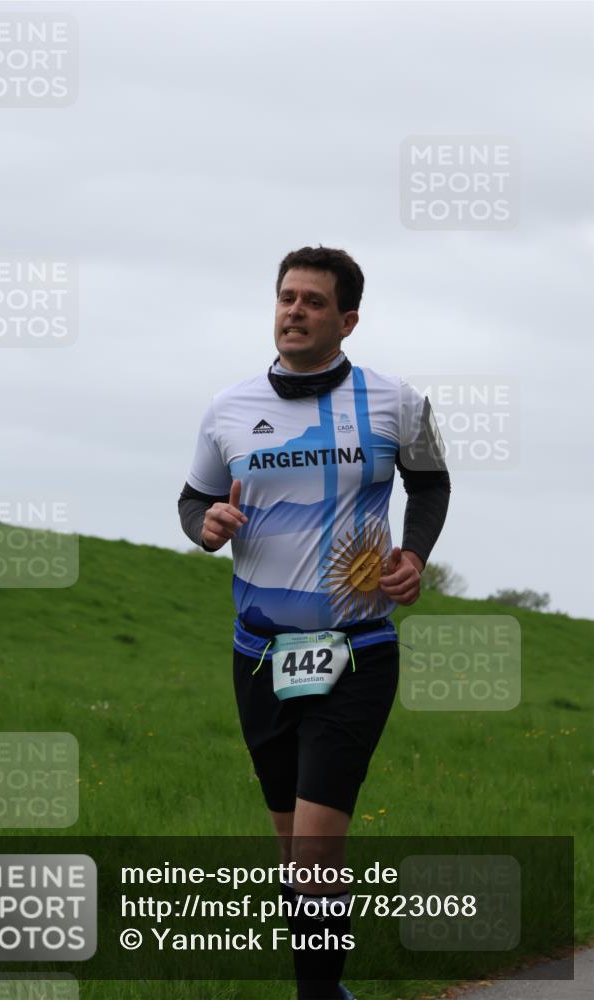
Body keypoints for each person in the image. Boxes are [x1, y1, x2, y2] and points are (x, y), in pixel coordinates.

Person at [178, 246, 450, 1000]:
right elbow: (192, 501)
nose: (293, 311)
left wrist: (414, 555)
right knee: (290, 847)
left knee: (315, 848)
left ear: (347, 319)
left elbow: (429, 484)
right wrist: (208, 525)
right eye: (285, 297)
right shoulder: (227, 407)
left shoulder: (395, 402)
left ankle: (317, 994)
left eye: (313, 302)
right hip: (258, 656)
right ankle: (324, 984)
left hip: (356, 650)